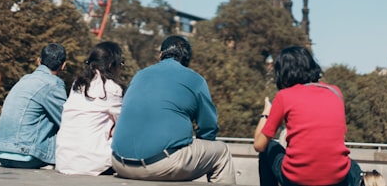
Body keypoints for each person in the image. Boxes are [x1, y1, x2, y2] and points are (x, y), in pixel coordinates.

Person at [111, 35, 236, 184]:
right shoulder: (195, 79)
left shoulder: (139, 75)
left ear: (160, 55)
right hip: (161, 164)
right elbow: (208, 127)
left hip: (119, 163)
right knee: (222, 152)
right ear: (187, 58)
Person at [253, 45, 362, 186]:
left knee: (269, 148)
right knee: (353, 167)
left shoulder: (284, 96)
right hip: (336, 179)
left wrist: (266, 113)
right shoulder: (336, 92)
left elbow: (259, 145)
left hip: (297, 179)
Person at [0, 43, 68, 169]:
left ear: (38, 61)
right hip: (26, 154)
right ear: (63, 65)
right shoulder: (53, 84)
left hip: (1, 152)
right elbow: (67, 120)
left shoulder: (24, 80)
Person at [56, 41, 125, 175]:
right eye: (121, 63)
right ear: (111, 65)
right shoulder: (112, 88)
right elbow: (124, 126)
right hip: (93, 163)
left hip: (64, 161)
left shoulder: (78, 84)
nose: (121, 67)